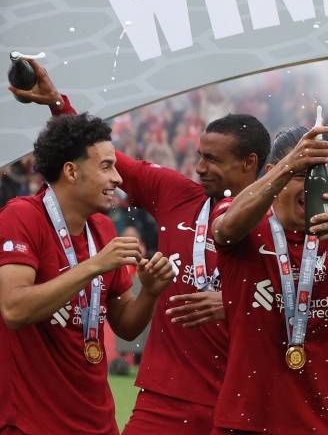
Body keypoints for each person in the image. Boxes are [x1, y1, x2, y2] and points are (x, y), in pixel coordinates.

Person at [9, 58, 271, 434]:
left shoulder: (280, 228)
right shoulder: (176, 194)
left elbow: (302, 308)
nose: (198, 167)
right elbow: (100, 162)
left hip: (242, 399)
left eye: (212, 159)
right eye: (199, 156)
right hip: (166, 397)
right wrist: (57, 104)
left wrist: (235, 304)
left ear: (249, 164)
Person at [0, 113, 176, 435]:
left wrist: (150, 291)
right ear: (71, 170)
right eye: (106, 166)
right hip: (30, 424)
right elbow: (14, 309)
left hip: (98, 422)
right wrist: (93, 266)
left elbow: (125, 325)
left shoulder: (104, 229)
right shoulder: (22, 216)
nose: (118, 179)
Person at [209, 125, 328, 434]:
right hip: (245, 423)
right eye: (300, 174)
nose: (311, 186)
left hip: (324, 423)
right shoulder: (242, 215)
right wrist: (287, 165)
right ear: (274, 172)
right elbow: (225, 230)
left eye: (319, 175)